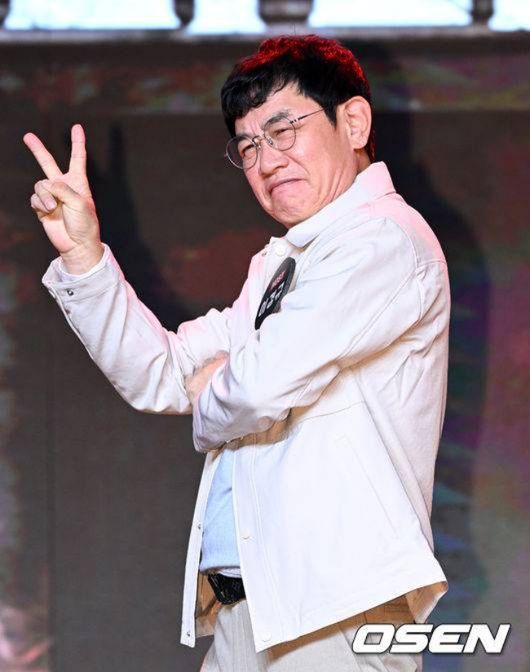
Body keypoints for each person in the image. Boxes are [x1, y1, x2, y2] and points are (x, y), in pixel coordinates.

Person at [24, 34, 449, 672]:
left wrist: (216, 396)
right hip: (251, 615)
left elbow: (254, 389)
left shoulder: (382, 240)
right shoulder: (283, 264)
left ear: (354, 122)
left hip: (335, 617)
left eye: (284, 130)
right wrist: (84, 256)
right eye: (248, 146)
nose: (267, 160)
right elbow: (162, 373)